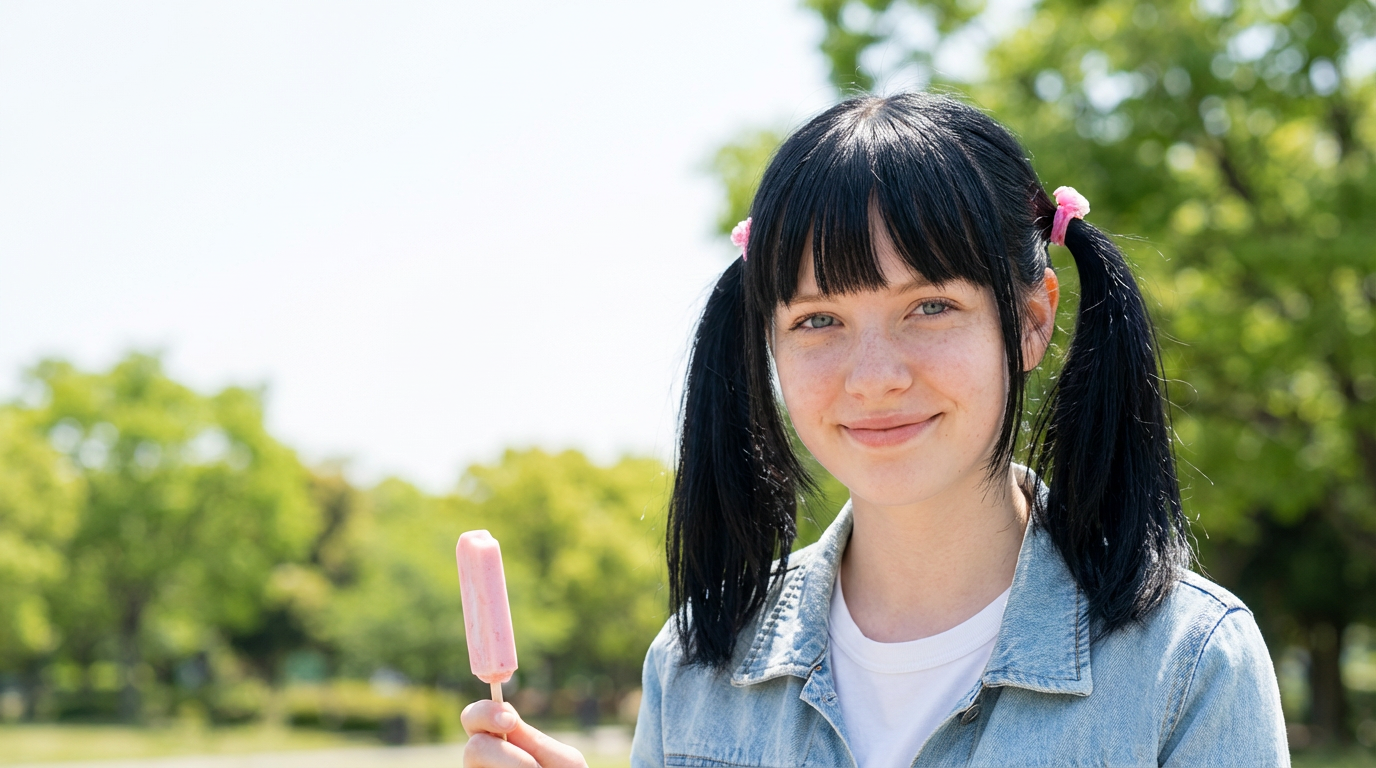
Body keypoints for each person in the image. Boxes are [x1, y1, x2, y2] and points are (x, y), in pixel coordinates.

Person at [459, 93, 1289, 767]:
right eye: (819, 320)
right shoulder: (694, 665)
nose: (875, 376)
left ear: (1032, 320)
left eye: (931, 307)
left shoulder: (1188, 664)